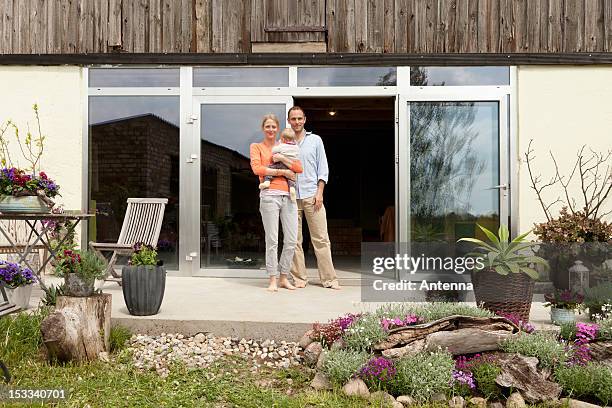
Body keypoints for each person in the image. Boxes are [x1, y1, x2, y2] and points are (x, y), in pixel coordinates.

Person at [288, 106, 340, 290]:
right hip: (291, 197)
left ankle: (329, 279)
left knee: (321, 239)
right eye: (293, 119)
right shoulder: (285, 142)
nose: (296, 122)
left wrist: (320, 193)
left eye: (299, 118)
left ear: (305, 119)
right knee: (294, 240)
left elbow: (322, 168)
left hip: (312, 196)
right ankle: (299, 278)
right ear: (289, 121)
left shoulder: (315, 140)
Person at [250, 114, 303, 292]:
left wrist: (284, 160)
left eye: (274, 127)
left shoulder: (286, 146)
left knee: (291, 240)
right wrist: (284, 174)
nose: (271, 129)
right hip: (269, 195)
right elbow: (257, 169)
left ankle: (283, 277)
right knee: (272, 240)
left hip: (289, 196)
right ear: (263, 128)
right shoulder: (256, 147)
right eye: (268, 126)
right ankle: (272, 278)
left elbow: (297, 168)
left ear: (278, 129)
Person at [259, 128, 300, 202]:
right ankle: (292, 189)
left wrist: (278, 148)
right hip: (289, 166)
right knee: (291, 177)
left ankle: (267, 182)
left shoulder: (282, 146)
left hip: (280, 164)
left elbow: (274, 151)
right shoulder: (296, 147)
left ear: (283, 139)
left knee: (270, 168)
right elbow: (297, 160)